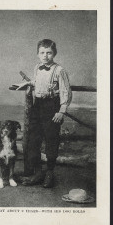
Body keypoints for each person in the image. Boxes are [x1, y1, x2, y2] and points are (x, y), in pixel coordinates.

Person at [19, 39, 72, 188]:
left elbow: (65, 91)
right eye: (42, 52)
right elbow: (37, 82)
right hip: (38, 106)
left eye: (49, 53)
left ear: (54, 53)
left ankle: (49, 172)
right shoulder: (37, 67)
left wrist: (61, 111)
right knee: (33, 139)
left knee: (51, 140)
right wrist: (28, 83)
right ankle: (38, 172)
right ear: (37, 54)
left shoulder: (59, 70)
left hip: (52, 106)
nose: (45, 56)